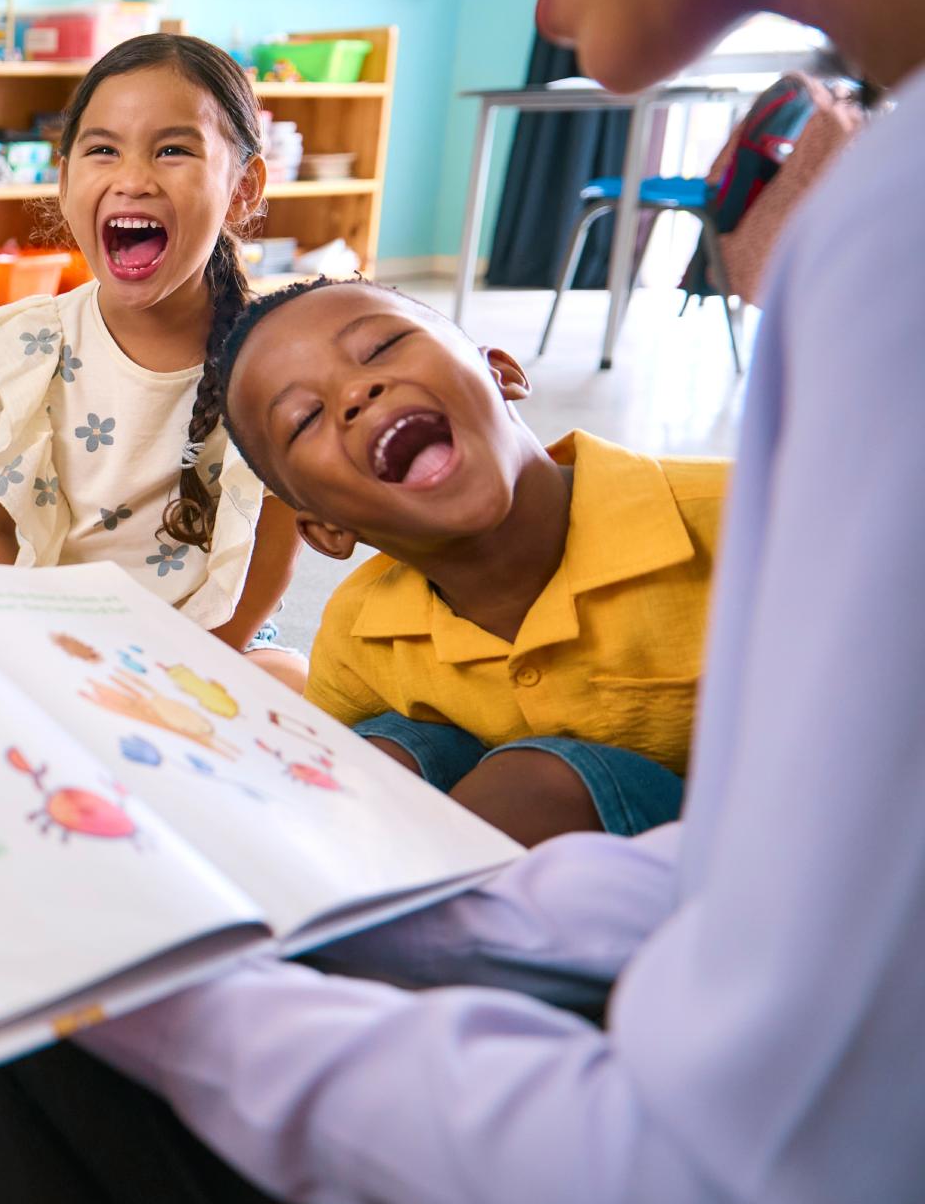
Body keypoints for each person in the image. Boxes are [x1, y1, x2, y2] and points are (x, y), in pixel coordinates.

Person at [0, 0, 925, 1204]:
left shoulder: (868, 266)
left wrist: (162, 998)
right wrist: (416, 907)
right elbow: (785, 868)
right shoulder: (59, 383)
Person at [206, 276, 725, 844]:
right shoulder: (360, 641)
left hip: (752, 857)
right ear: (329, 530)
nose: (356, 395)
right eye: (305, 418)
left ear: (501, 371)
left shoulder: (747, 518)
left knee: (526, 785)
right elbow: (324, 803)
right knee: (371, 761)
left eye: (380, 348)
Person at [0, 34, 306, 688]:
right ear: (64, 181)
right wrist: (30, 644)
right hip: (55, 638)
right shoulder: (18, 353)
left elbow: (269, 554)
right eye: (103, 150)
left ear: (243, 188)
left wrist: (193, 666)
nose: (134, 179)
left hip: (220, 637)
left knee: (299, 690)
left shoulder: (278, 361)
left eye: (173, 150)